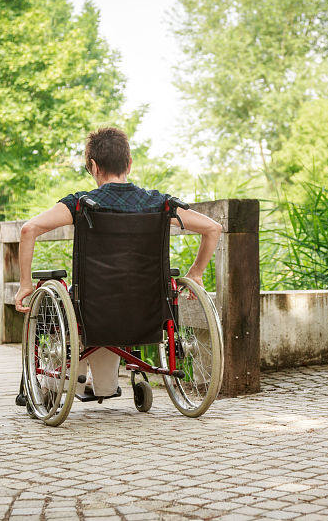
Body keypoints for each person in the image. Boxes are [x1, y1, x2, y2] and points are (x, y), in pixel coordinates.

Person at [15, 127, 222, 398]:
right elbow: (213, 229)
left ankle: (65, 384)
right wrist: (195, 274)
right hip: (147, 308)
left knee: (65, 303)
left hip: (94, 308)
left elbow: (29, 230)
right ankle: (104, 385)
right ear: (129, 163)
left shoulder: (81, 204)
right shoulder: (159, 204)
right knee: (101, 316)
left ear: (93, 166)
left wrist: (25, 285)